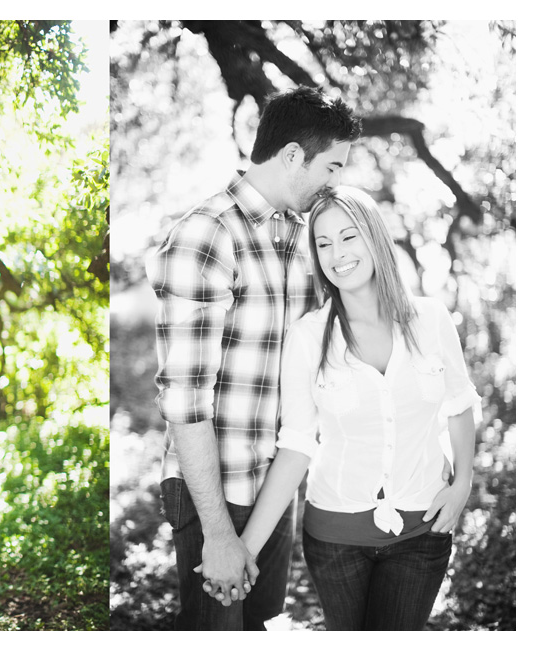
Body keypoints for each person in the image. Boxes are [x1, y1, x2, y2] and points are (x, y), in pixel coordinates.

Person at [146, 86, 362, 630]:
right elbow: (185, 403)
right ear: (293, 156)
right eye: (332, 166)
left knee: (265, 628)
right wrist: (218, 535)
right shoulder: (206, 235)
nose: (336, 182)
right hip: (214, 491)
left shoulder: (305, 234)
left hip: (275, 486)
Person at [236, 186, 480, 630]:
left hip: (422, 534)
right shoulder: (308, 337)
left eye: (348, 237)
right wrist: (244, 551)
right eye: (323, 243)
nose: (336, 253)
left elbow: (460, 403)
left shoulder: (431, 320)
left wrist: (463, 482)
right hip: (335, 539)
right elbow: (295, 446)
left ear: (374, 239)